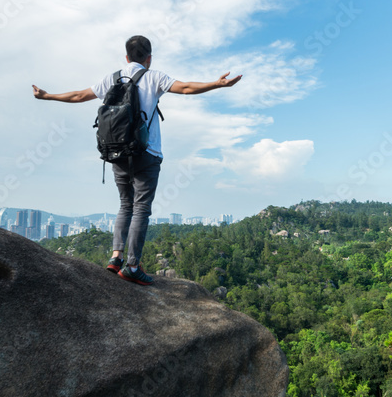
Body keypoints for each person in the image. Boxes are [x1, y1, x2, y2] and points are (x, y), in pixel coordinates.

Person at [31, 35, 242, 285]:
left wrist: (47, 96)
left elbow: (79, 96)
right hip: (146, 152)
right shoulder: (154, 77)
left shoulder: (112, 78)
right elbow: (186, 88)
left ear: (126, 57)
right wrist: (217, 84)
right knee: (141, 207)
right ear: (149, 58)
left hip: (116, 152)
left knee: (125, 205)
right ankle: (132, 265)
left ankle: (115, 257)